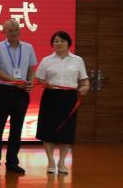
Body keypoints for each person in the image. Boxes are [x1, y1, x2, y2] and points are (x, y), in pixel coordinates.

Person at [0, 19, 38, 174]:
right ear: (3, 32)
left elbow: (31, 68)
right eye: (10, 30)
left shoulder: (28, 47)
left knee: (17, 128)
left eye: (16, 29)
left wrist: (30, 81)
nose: (14, 32)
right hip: (3, 90)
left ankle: (12, 162)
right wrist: (14, 81)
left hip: (21, 93)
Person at [36, 31, 89, 174]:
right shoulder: (46, 60)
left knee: (66, 131)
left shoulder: (77, 60)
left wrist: (85, 88)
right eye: (56, 41)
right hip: (50, 96)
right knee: (48, 130)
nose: (59, 44)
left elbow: (84, 81)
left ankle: (62, 162)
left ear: (68, 43)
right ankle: (50, 161)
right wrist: (45, 84)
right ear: (52, 44)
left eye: (62, 41)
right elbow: (39, 79)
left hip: (69, 98)